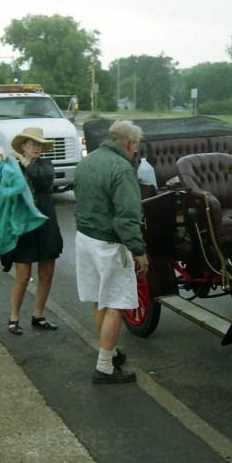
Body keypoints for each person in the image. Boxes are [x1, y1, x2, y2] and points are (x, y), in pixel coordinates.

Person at [74, 120, 148, 384]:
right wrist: (139, 251)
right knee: (116, 305)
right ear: (129, 144)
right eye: (134, 148)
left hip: (85, 238)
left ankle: (110, 352)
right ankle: (105, 366)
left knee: (99, 300)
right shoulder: (121, 168)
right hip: (108, 244)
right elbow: (127, 218)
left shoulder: (88, 160)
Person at [1, 127, 64, 335]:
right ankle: (14, 317)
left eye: (39, 144)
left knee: (47, 272)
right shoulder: (12, 166)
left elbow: (44, 182)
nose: (36, 147)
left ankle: (39, 315)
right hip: (23, 225)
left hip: (45, 223)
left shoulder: (45, 165)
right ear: (23, 146)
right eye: (32, 143)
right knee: (23, 273)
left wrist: (27, 164)